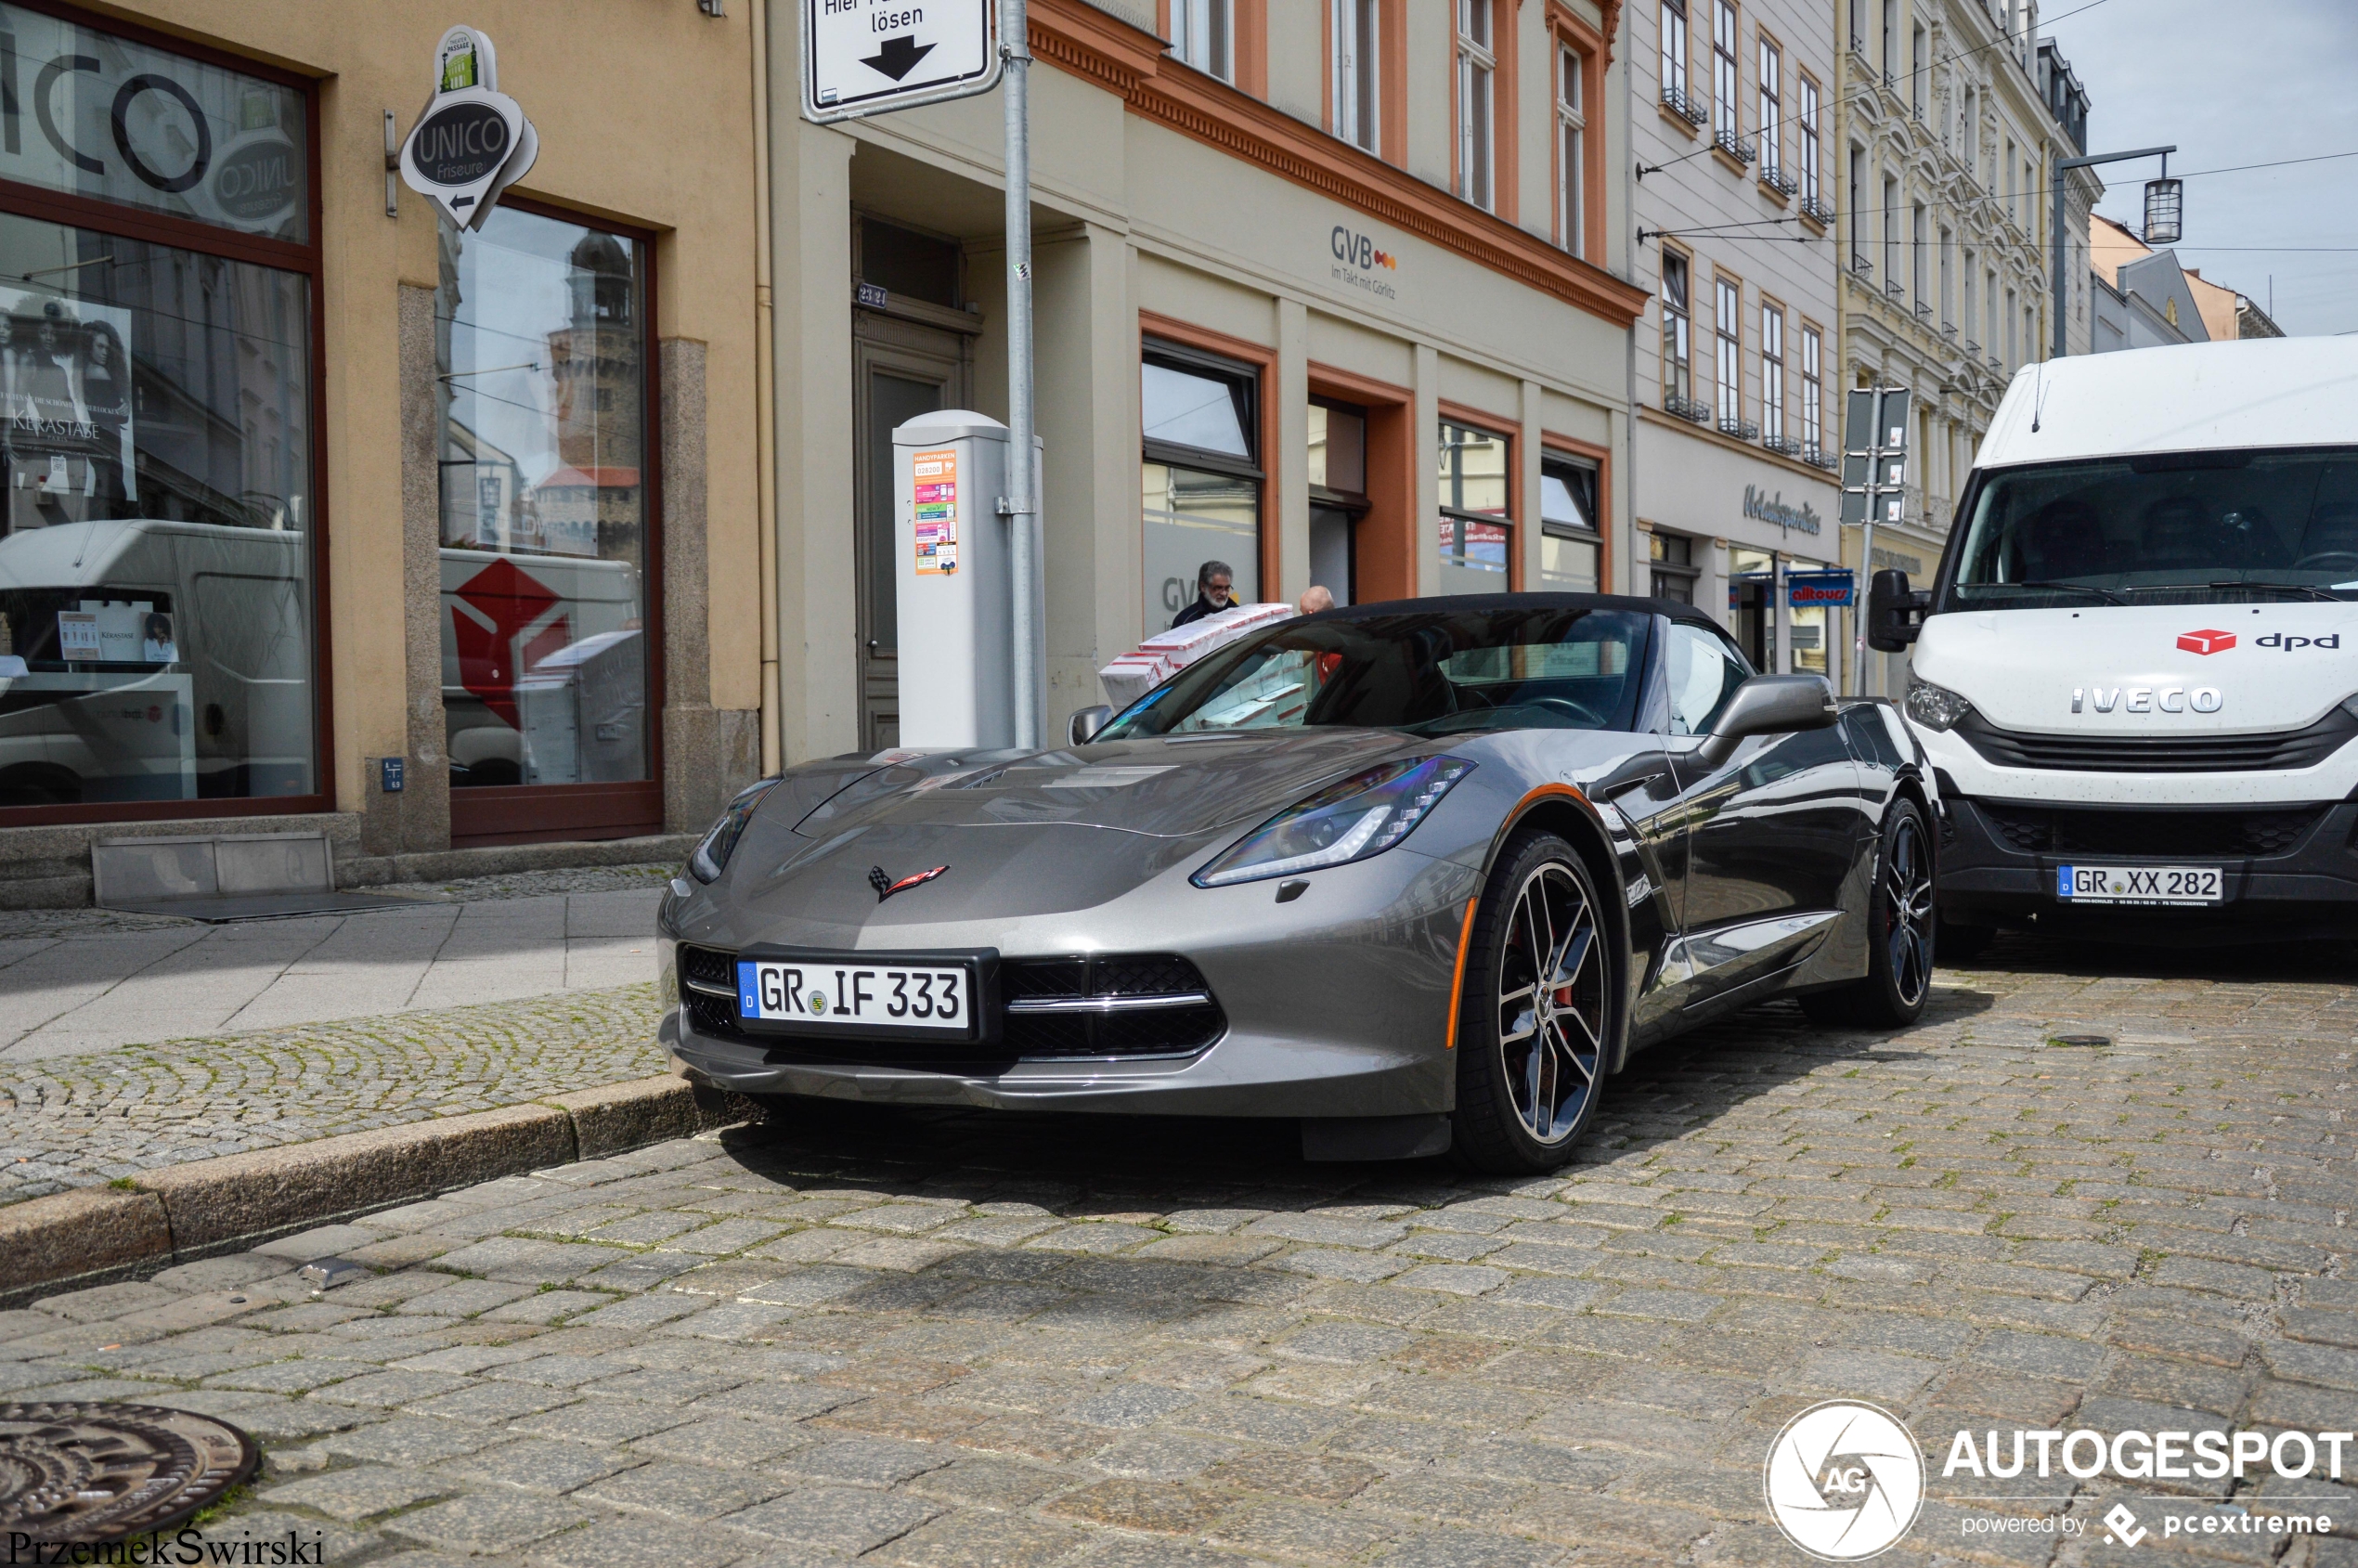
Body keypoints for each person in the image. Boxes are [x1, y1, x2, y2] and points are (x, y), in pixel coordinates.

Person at [1171, 560, 1235, 628]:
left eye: (1227, 588)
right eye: (1218, 588)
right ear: (1203, 587)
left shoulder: (1241, 616)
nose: (1224, 593)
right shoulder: (1184, 620)